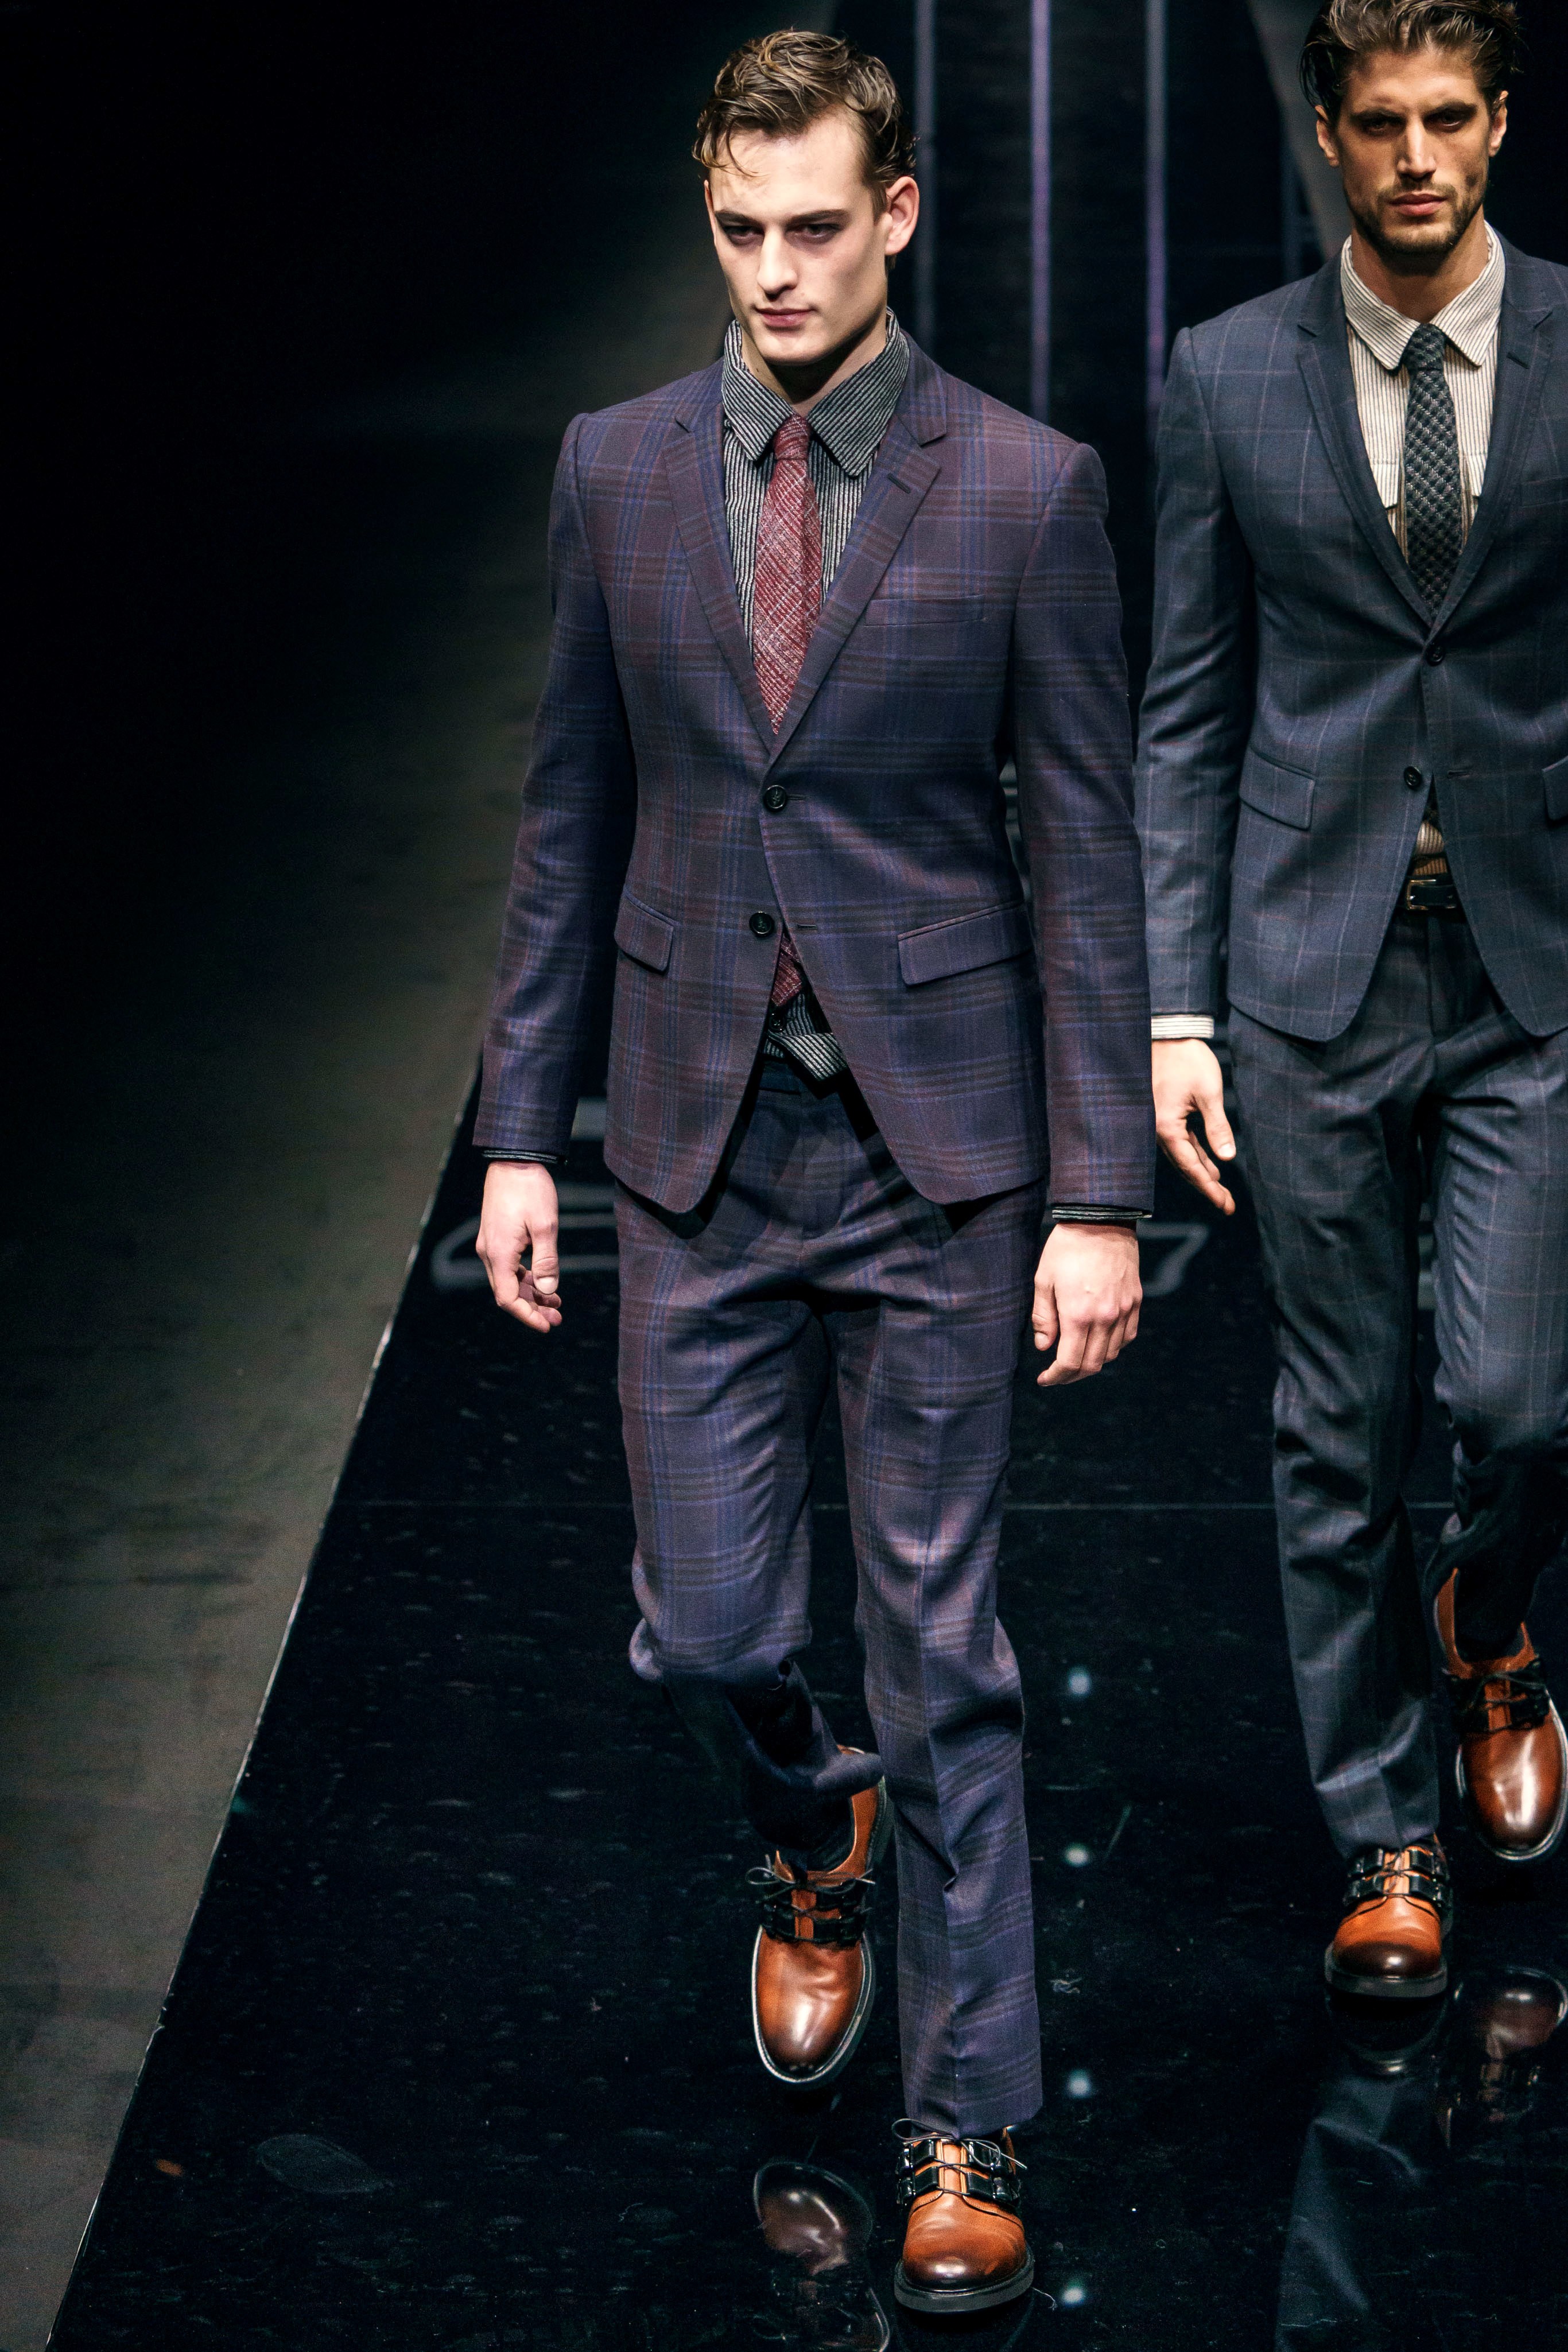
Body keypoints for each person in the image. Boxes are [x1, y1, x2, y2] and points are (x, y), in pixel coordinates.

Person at [473, 28, 1152, 2315]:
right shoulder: (615, 468)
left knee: (939, 1640)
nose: (771, 271)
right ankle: (810, 1825)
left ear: (896, 215)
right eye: (735, 230)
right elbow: (567, 815)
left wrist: (1092, 1194)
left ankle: (966, 2116)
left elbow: (1085, 856)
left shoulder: (1025, 488)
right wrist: (517, 1133)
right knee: (708, 1623)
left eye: (812, 227)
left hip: (934, 1151)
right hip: (687, 1138)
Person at [1138, 0, 1568, 2002]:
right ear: (1326, 132)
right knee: (1336, 1421)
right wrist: (1174, 1011)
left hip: (1527, 958)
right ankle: (1382, 1832)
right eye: (1378, 120)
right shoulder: (1226, 371)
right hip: (1306, 967)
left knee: (1516, 1398)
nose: (1414, 155)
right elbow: (1185, 703)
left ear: (1499, 123)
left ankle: (1482, 1618)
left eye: (1446, 117)